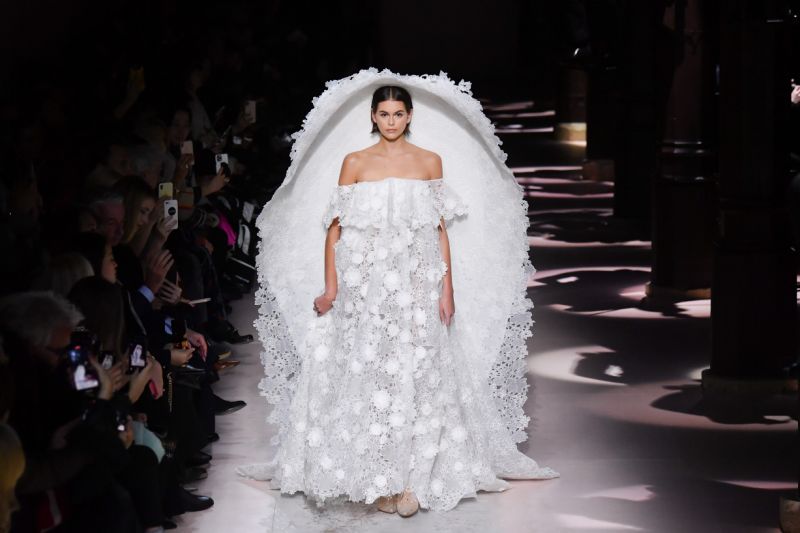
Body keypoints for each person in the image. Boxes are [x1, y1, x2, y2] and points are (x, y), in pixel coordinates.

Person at [239, 70, 558, 516]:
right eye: (384, 114)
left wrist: (448, 289)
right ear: (373, 116)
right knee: (371, 373)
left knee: (419, 372)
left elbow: (438, 228)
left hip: (417, 279)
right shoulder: (355, 162)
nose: (391, 121)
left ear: (409, 117)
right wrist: (331, 288)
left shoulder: (429, 161)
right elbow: (334, 229)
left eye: (398, 114)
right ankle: (377, 476)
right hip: (363, 284)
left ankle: (412, 478)